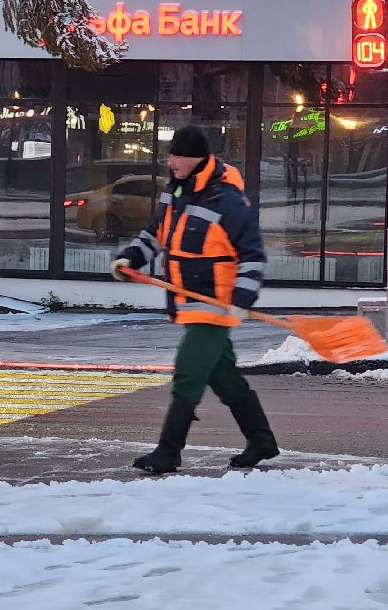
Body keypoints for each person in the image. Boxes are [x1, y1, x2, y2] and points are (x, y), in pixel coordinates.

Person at [111, 124, 280, 474]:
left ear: (196, 158)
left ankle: (168, 451)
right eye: (170, 154)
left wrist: (241, 298)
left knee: (188, 374)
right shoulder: (176, 191)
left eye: (177, 155)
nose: (171, 161)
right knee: (224, 376)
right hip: (189, 301)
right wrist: (132, 258)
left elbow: (252, 256)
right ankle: (261, 440)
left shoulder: (227, 199)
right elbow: (156, 234)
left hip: (214, 305)